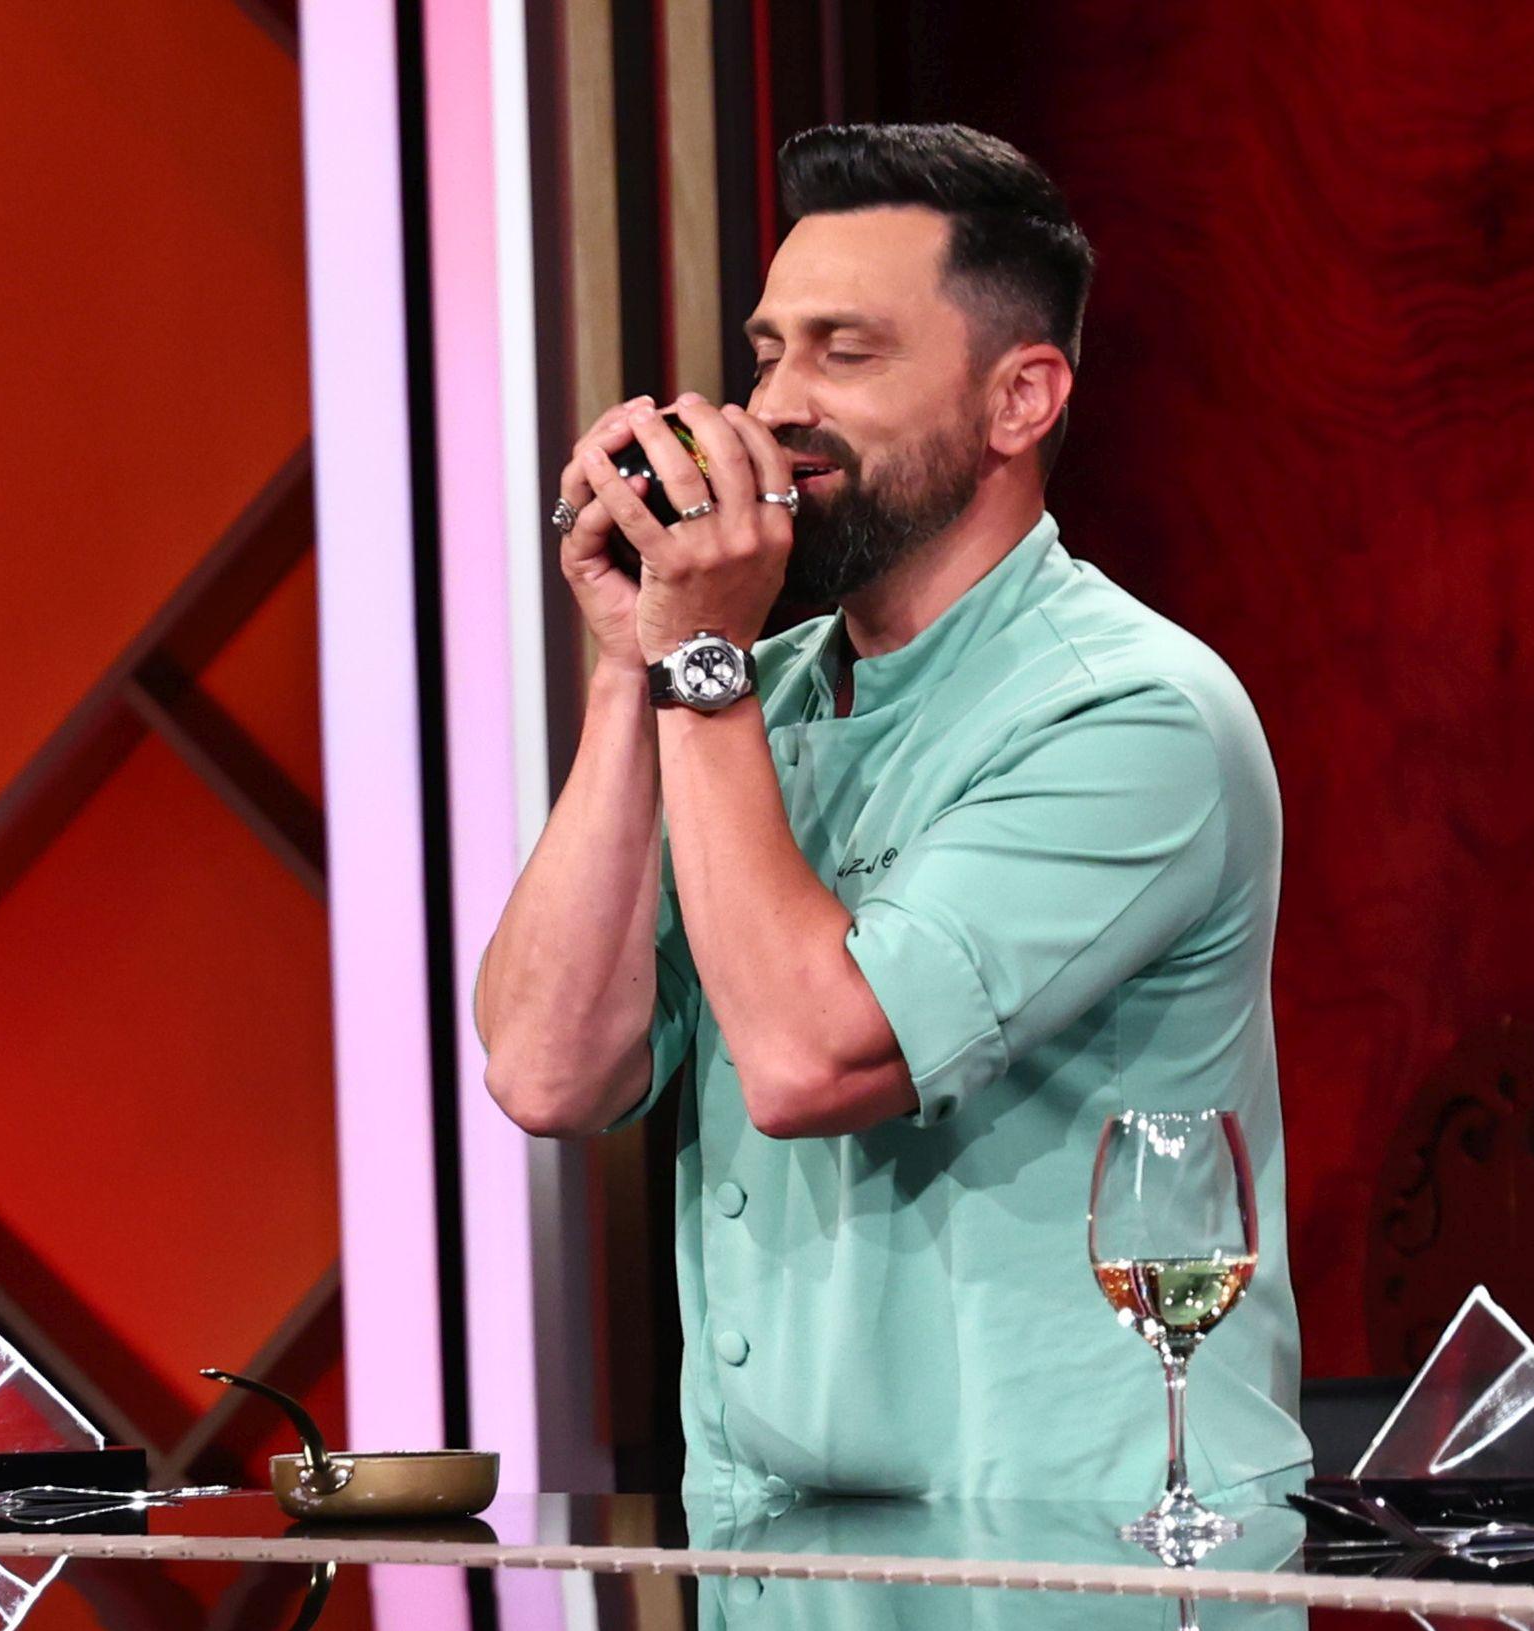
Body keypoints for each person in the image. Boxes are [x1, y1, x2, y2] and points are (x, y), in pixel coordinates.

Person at [473, 123, 1305, 1516]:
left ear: (1021, 399)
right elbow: (551, 1072)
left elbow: (812, 1060)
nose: (774, 410)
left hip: (1079, 1550)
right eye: (767, 354)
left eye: (844, 354)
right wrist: (633, 663)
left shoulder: (1133, 714)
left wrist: (702, 667)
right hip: (774, 1544)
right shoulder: (738, 691)